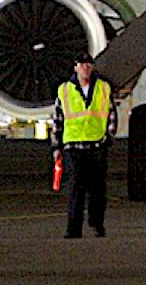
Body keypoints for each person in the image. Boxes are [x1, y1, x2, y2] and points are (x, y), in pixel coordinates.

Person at [52, 54, 115, 238]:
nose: (85, 68)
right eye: (81, 65)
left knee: (97, 190)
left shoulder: (103, 88)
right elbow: (57, 120)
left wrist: (108, 138)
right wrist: (57, 147)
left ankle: (96, 223)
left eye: (88, 65)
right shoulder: (64, 90)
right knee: (76, 189)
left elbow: (111, 114)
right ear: (75, 68)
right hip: (74, 147)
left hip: (96, 145)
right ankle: (73, 228)